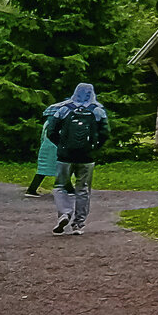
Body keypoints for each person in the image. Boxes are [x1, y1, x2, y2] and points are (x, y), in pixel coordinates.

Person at [46, 83, 110, 235]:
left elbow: (51, 131)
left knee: (60, 186)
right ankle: (78, 224)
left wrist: (61, 145)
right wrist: (94, 148)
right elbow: (105, 133)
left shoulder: (64, 109)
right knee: (83, 189)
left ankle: (64, 213)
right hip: (87, 157)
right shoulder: (97, 110)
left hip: (65, 156)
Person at [25, 105, 62, 197]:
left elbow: (42, 137)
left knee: (42, 170)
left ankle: (31, 190)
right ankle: (65, 190)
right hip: (56, 148)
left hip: (45, 147)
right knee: (63, 169)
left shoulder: (47, 123)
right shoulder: (58, 123)